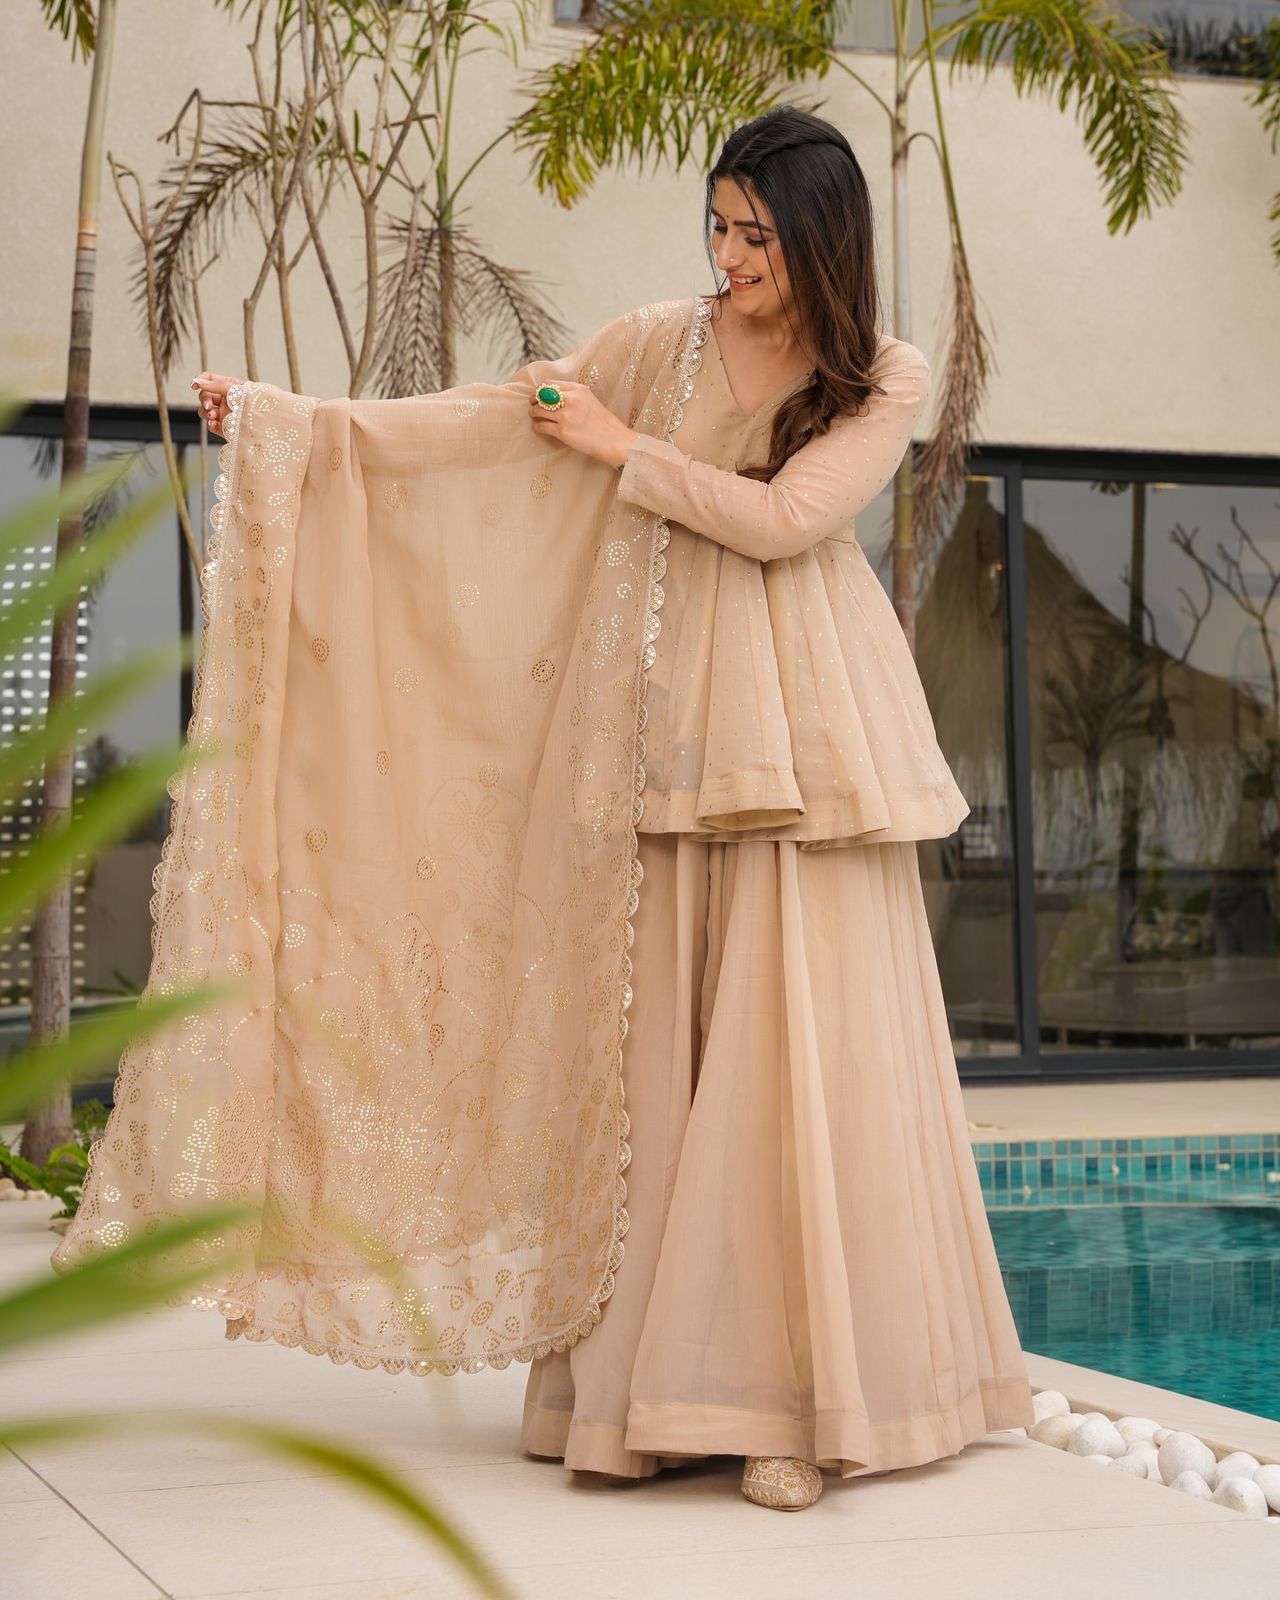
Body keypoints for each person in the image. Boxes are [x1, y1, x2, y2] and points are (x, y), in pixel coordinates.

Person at [79, 105, 1036, 1515]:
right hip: (654, 720)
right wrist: (301, 426)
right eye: (718, 226)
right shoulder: (657, 342)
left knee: (795, 1056)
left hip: (806, 738)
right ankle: (647, 1396)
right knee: (649, 1070)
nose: (728, 257)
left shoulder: (881, 374)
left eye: (756, 237)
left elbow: (787, 520)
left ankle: (807, 1404)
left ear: (821, 238)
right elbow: (499, 422)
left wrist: (615, 447)